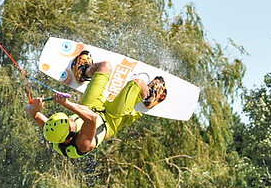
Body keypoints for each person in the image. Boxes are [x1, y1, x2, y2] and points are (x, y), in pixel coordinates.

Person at [25, 50, 167, 158]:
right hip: (110, 120)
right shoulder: (82, 144)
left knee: (104, 66)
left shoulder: (54, 130)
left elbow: (30, 111)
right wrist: (67, 104)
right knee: (138, 83)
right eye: (69, 122)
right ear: (70, 135)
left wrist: (35, 108)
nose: (69, 118)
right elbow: (91, 118)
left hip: (90, 106)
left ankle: (83, 72)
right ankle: (149, 97)